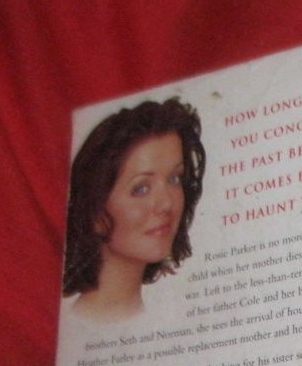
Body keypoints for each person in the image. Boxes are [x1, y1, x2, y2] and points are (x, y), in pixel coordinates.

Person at [63, 98, 205, 321]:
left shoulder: (150, 319)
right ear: (93, 209)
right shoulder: (87, 322)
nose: (166, 204)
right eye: (141, 189)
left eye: (174, 178)